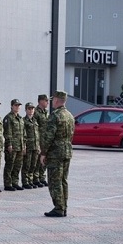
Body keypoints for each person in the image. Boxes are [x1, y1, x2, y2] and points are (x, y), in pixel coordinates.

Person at [40, 90, 75, 218]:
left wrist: (43, 153)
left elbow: (49, 137)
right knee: (63, 180)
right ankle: (64, 206)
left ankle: (59, 208)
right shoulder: (70, 115)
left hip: (56, 153)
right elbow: (71, 135)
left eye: (53, 100)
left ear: (56, 100)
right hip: (67, 151)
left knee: (55, 181)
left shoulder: (55, 116)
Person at [2, 98, 26, 191]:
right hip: (12, 146)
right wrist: (9, 144)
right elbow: (7, 132)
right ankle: (8, 183)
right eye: (16, 105)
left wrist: (24, 145)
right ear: (12, 106)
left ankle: (15, 182)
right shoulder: (9, 118)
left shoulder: (20, 118)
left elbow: (24, 133)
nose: (17, 107)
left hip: (20, 146)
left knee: (17, 165)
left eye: (18, 105)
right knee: (10, 165)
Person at [22, 102, 40, 189]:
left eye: (32, 109)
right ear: (26, 110)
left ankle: (31, 180)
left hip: (35, 146)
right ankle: (25, 182)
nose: (31, 110)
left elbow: (37, 134)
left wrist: (38, 146)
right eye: (29, 109)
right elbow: (23, 135)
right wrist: (24, 146)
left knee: (33, 165)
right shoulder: (23, 121)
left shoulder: (35, 121)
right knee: (27, 165)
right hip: (28, 146)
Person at [34, 94, 50, 186]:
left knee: (44, 159)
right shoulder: (36, 113)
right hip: (39, 140)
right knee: (37, 160)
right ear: (40, 101)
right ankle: (36, 178)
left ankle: (42, 177)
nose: (48, 102)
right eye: (46, 100)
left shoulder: (46, 112)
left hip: (46, 140)